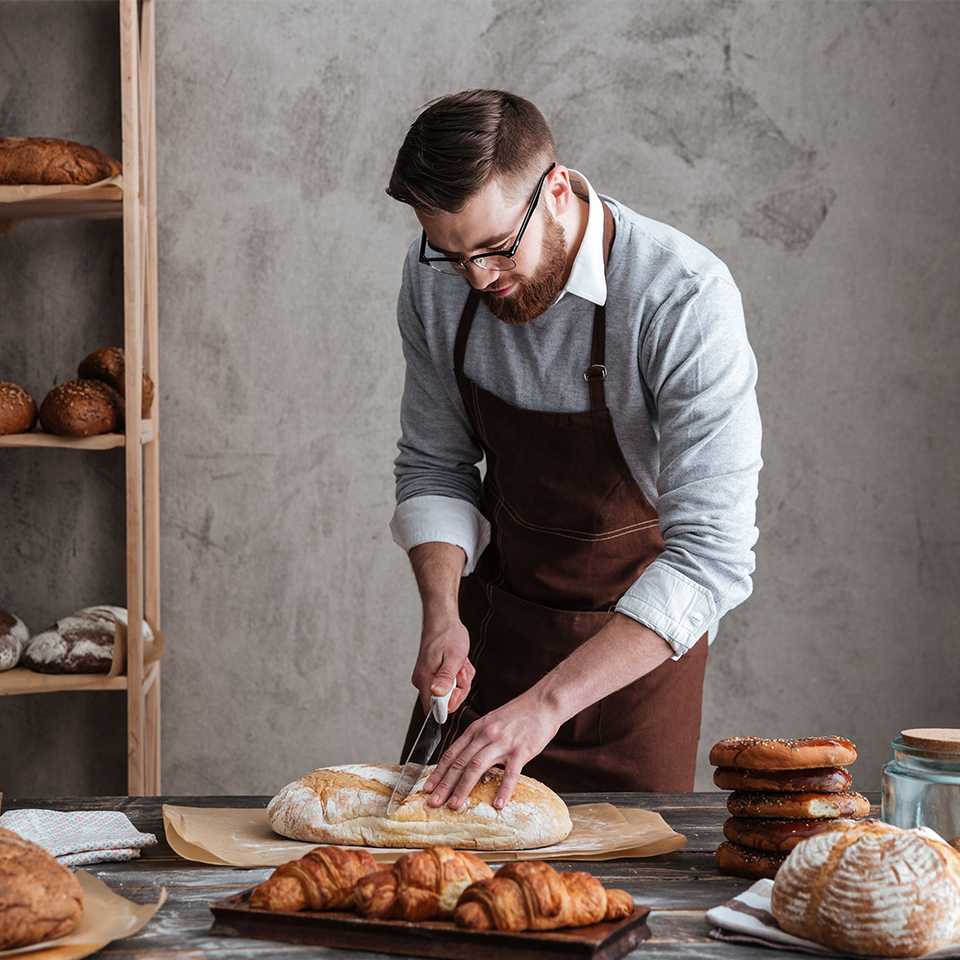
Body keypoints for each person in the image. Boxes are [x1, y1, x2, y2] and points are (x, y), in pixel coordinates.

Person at [385, 89, 761, 811]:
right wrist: (441, 610)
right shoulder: (432, 279)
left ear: (557, 190)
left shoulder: (680, 299)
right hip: (496, 641)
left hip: (632, 674)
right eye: (453, 256)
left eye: (496, 250)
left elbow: (710, 556)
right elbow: (436, 464)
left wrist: (549, 704)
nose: (478, 280)